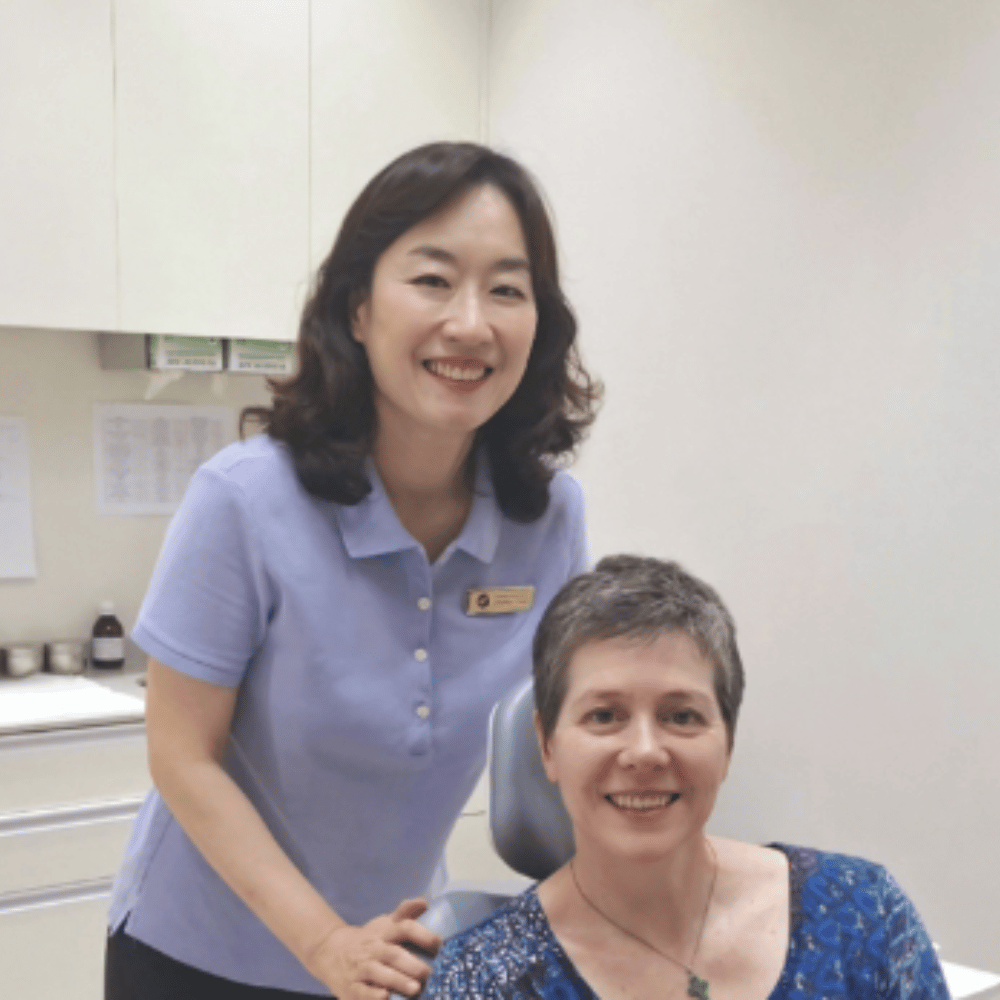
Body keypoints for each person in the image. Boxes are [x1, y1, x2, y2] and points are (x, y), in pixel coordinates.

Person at [104, 141, 601, 1000]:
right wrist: (326, 943)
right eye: (433, 279)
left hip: (393, 954)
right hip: (199, 957)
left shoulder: (549, 520)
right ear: (358, 310)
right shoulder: (247, 499)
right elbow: (181, 755)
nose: (470, 322)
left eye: (507, 289)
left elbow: (569, 737)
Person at [423, 555, 950, 1000]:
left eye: (682, 716)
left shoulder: (862, 915)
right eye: (605, 716)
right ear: (548, 746)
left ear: (728, 744)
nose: (646, 752)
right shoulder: (481, 979)